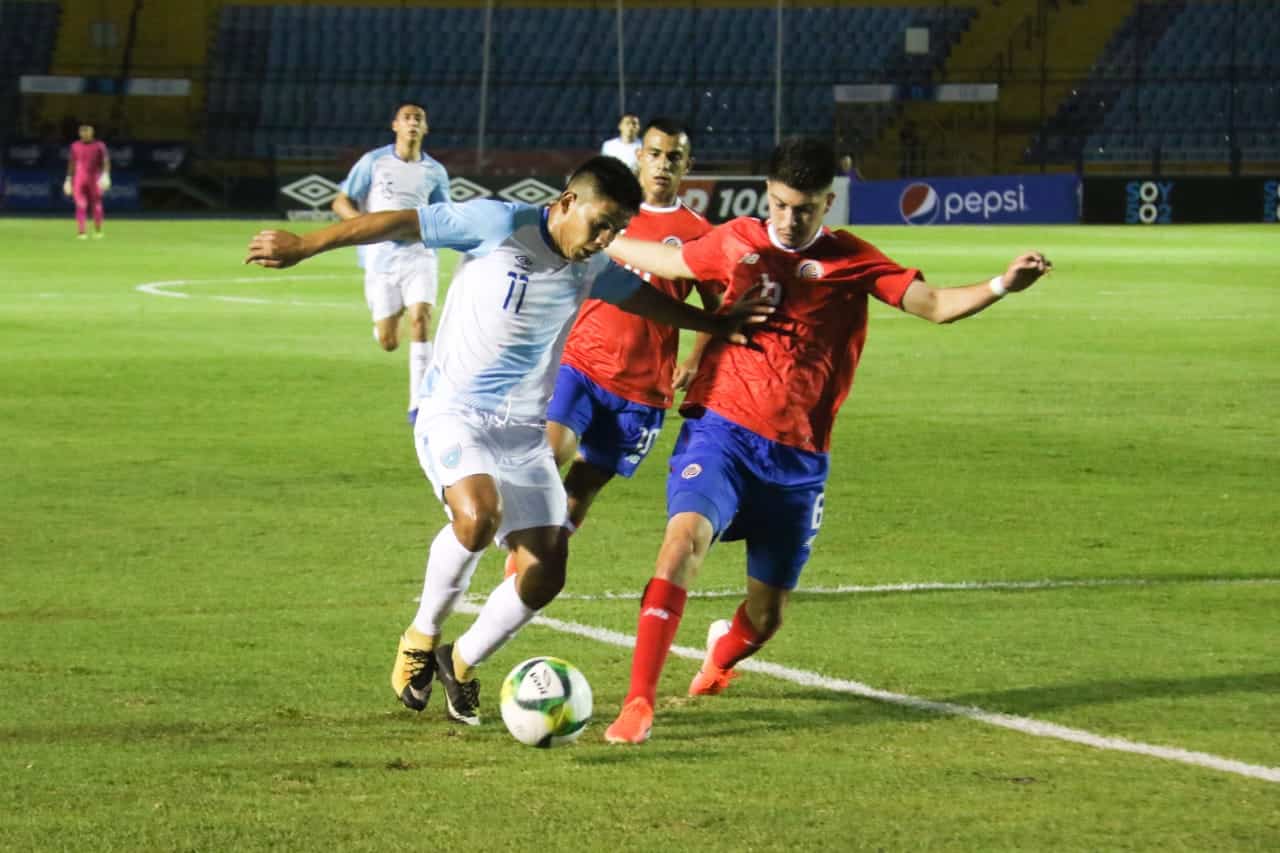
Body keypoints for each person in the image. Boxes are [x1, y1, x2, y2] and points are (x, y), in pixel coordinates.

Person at [245, 156, 772, 727]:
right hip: (452, 413)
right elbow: (400, 222)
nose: (605, 240)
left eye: (616, 230)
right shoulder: (499, 224)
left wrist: (717, 326)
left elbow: (643, 299)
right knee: (478, 517)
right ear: (568, 202)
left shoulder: (592, 264)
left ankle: (461, 661)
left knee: (548, 569)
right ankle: (421, 635)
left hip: (521, 431)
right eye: (599, 224)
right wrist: (306, 244)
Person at [599, 137, 1053, 745]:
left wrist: (1003, 284)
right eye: (783, 205)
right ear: (767, 195)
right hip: (722, 433)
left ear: (828, 204)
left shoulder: (852, 259)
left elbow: (937, 304)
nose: (791, 219)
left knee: (767, 617)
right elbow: (668, 261)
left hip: (798, 460)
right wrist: (587, 233)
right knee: (681, 542)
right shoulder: (735, 240)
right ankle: (638, 702)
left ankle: (720, 660)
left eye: (806, 209)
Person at [501, 117, 722, 578]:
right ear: (640, 156)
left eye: (674, 158)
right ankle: (518, 561)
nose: (663, 165)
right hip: (580, 362)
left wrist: (695, 360)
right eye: (656, 154)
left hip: (643, 388)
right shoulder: (609, 211)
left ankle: (525, 575)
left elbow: (717, 307)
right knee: (549, 454)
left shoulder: (700, 232)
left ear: (688, 166)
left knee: (581, 492)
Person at [332, 103, 451, 423]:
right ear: (395, 125)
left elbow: (444, 214)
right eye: (407, 118)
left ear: (425, 129)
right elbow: (341, 200)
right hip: (380, 258)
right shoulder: (374, 162)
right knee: (388, 341)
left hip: (419, 255)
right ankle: (388, 318)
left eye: (419, 119)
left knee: (421, 319)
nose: (413, 123)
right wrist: (362, 226)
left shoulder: (435, 172)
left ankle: (419, 403)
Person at [63, 124, 110, 240]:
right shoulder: (75, 146)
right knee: (80, 205)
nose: (85, 134)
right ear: (79, 133)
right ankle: (81, 232)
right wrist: (68, 179)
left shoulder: (99, 146)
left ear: (92, 133)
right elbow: (71, 163)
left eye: (87, 132)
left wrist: (106, 174)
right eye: (82, 132)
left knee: (97, 205)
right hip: (79, 179)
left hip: (94, 178)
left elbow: (106, 161)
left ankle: (98, 231)